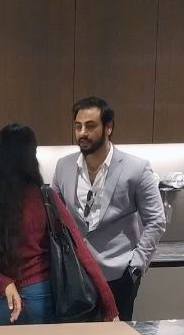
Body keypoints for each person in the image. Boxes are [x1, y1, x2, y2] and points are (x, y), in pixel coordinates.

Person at [0, 123, 118, 325]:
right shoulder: (45, 198)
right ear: (30, 158)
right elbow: (80, 251)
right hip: (40, 297)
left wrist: (1, 283)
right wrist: (110, 306)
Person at [53, 96, 166, 321]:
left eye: (90, 126)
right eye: (78, 126)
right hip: (76, 275)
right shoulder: (63, 166)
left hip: (118, 273)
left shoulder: (136, 168)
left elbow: (156, 220)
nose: (82, 133)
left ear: (108, 128)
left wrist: (137, 264)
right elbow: (54, 215)